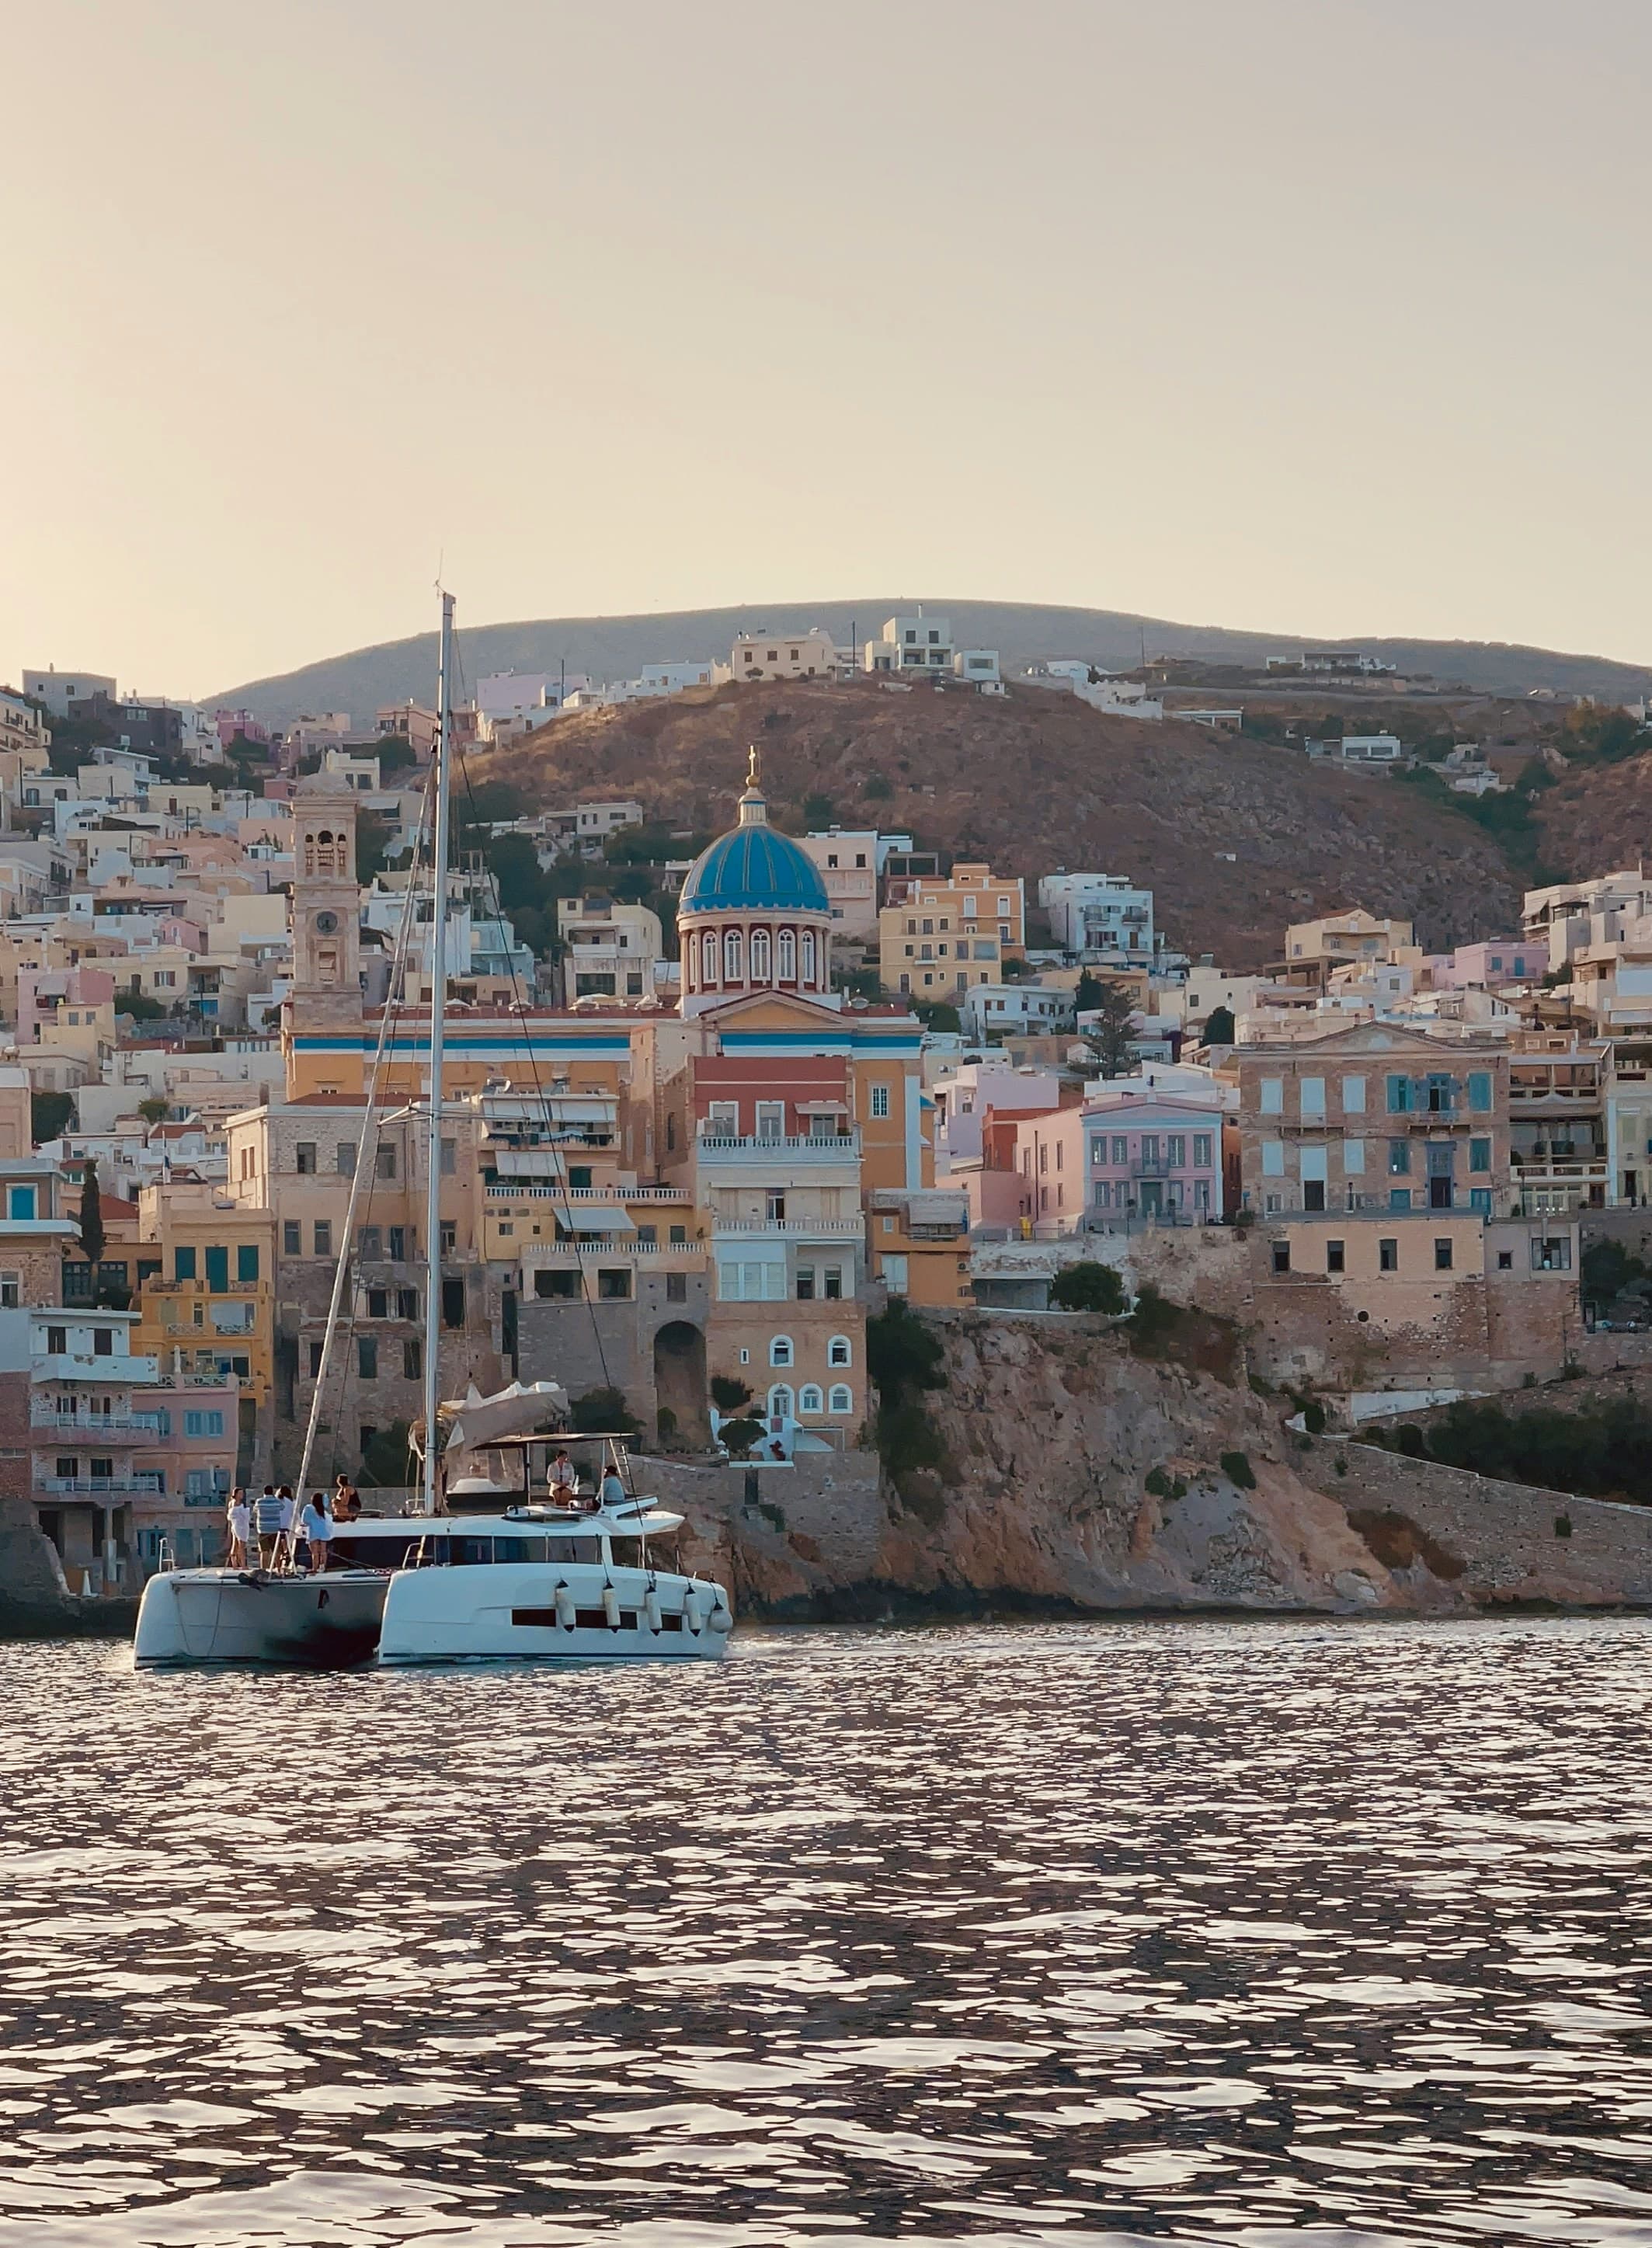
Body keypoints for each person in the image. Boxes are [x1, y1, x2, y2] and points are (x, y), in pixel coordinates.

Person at [300, 1489, 333, 1575]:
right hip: (324, 1532)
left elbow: (304, 1521)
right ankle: (323, 1567)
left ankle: (315, 1568)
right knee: (323, 1551)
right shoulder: (322, 1508)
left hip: (313, 1531)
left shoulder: (309, 1508)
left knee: (314, 1552)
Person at [253, 1485, 285, 1569]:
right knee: (277, 1551)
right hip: (275, 1529)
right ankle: (278, 1569)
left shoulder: (259, 1501)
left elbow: (255, 1510)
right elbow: (282, 1507)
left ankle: (264, 1569)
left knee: (264, 1551)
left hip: (263, 1529)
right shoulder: (277, 1501)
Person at [225, 1486, 249, 1569]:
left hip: (236, 1526)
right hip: (239, 1527)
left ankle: (234, 1564)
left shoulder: (232, 1503)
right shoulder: (235, 1503)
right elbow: (234, 1515)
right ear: (235, 1494)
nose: (242, 1495)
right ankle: (243, 1565)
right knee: (241, 1546)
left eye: (242, 1493)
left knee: (235, 1545)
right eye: (240, 1493)